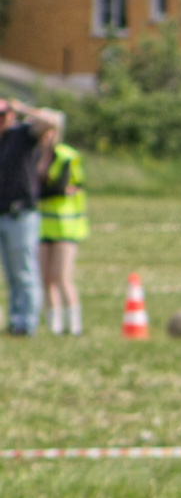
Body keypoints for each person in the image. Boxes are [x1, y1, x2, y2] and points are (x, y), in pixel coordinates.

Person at [34, 110, 84, 336]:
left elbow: (59, 188)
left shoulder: (67, 156)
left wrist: (39, 192)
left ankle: (74, 325)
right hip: (43, 225)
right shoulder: (34, 155)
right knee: (46, 279)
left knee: (62, 277)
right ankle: (53, 326)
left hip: (66, 226)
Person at [0, 100, 46, 338]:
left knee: (24, 272)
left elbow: (52, 121)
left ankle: (27, 323)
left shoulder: (23, 135)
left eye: (2, 115)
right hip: (2, 213)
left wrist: (23, 109)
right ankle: (15, 320)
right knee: (10, 274)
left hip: (21, 214)